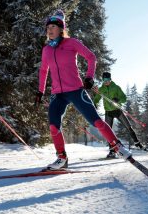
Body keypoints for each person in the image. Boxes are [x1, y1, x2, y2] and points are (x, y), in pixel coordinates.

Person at [34, 10, 132, 170]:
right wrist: (40, 91)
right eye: (48, 27)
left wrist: (89, 77)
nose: (50, 30)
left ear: (61, 29)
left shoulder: (71, 43)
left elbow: (91, 57)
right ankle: (61, 158)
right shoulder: (47, 50)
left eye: (53, 26)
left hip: (75, 90)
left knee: (97, 121)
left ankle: (117, 146)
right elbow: (44, 70)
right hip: (57, 94)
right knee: (53, 126)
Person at [93, 72, 143, 158]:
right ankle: (112, 151)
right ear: (102, 80)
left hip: (118, 110)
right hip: (108, 112)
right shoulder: (101, 89)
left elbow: (124, 98)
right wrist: (95, 101)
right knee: (108, 132)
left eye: (108, 79)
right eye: (104, 80)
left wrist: (118, 99)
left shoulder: (116, 87)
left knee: (128, 126)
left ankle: (137, 143)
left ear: (110, 79)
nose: (106, 81)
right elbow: (96, 99)